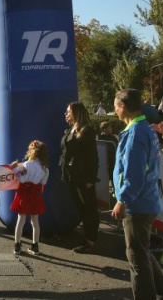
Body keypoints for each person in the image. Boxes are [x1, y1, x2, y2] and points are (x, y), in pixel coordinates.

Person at [112, 89, 163, 300]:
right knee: (142, 251)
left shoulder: (136, 132)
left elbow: (134, 173)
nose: (114, 109)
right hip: (144, 201)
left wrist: (123, 200)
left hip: (137, 205)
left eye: (115, 105)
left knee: (137, 257)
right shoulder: (141, 129)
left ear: (122, 106)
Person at [59, 101, 99, 254]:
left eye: (68, 111)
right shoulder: (71, 130)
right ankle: (88, 237)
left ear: (77, 113)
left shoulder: (87, 131)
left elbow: (92, 158)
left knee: (88, 209)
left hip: (83, 177)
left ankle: (91, 241)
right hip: (72, 176)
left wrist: (90, 179)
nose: (66, 114)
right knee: (81, 209)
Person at [11, 140, 49, 256]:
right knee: (35, 221)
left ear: (31, 151)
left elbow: (21, 179)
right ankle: (35, 245)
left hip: (24, 194)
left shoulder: (25, 165)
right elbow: (44, 182)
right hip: (36, 195)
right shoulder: (45, 169)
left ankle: (17, 245)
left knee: (20, 220)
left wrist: (15, 167)